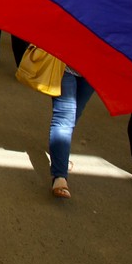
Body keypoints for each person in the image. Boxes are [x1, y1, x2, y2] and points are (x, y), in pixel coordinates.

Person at [48, 61, 96, 199]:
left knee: (74, 115)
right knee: (64, 118)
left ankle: (59, 156)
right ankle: (60, 176)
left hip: (94, 71)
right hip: (64, 65)